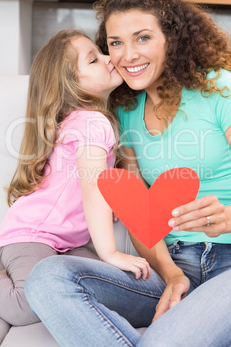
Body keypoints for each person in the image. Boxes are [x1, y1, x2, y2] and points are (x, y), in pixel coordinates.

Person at [25, 0, 231, 346]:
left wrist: (228, 218)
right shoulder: (124, 110)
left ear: (172, 37)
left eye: (143, 38)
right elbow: (140, 212)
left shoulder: (222, 91)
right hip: (176, 261)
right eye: (115, 42)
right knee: (46, 278)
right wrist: (171, 274)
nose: (128, 55)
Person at [0, 28, 150, 343]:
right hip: (35, 235)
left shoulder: (88, 120)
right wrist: (110, 252)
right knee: (26, 305)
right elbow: (93, 186)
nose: (110, 59)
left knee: (100, 288)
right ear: (72, 82)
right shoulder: (92, 123)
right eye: (94, 59)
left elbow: (104, 183)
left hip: (68, 242)